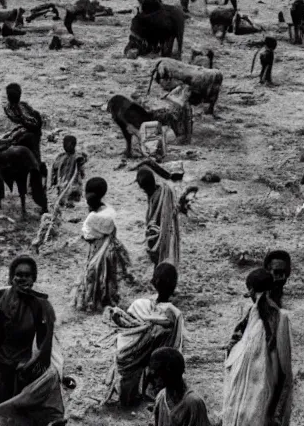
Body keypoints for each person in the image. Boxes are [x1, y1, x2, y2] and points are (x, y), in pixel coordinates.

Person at [0, 255, 63, 426]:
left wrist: (33, 366)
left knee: (21, 409)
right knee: (1, 407)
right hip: (3, 363)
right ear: (12, 276)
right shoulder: (6, 298)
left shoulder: (42, 305)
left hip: (24, 366)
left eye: (27, 275)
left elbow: (45, 342)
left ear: (34, 278)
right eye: (18, 274)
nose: (22, 278)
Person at [105, 263, 185, 407]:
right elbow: (174, 346)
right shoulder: (175, 314)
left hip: (131, 358)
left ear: (153, 282)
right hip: (157, 365)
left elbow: (127, 325)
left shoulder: (140, 305)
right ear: (174, 285)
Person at [221, 268, 292, 426]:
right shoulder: (249, 315)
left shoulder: (279, 319)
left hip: (261, 399)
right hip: (242, 399)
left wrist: (274, 410)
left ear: (251, 291)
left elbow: (281, 370)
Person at [73, 178, 131, 312]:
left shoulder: (92, 217)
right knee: (108, 275)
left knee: (93, 275)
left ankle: (92, 301)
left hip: (98, 249)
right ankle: (108, 298)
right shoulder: (110, 210)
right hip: (110, 248)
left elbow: (87, 235)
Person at [138, 166, 191, 267]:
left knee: (159, 255)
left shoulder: (161, 194)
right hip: (167, 230)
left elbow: (154, 218)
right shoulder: (163, 189)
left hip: (161, 231)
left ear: (142, 188)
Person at [149, 347, 215, 426]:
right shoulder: (161, 397)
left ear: (170, 371)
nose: (153, 377)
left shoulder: (193, 403)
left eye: (157, 373)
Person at [50, 135, 86, 206]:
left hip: (73, 183)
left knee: (71, 192)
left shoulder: (78, 157)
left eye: (66, 143)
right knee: (62, 192)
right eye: (63, 143)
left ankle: (71, 200)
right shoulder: (60, 156)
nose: (64, 145)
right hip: (62, 181)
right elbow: (54, 169)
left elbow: (82, 170)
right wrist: (53, 181)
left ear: (73, 145)